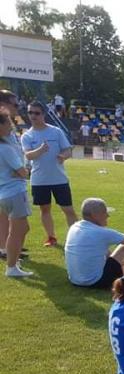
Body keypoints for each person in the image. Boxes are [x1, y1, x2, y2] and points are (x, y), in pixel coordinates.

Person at [21, 100, 77, 247]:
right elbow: (28, 155)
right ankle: (51, 237)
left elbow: (68, 149)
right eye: (30, 112)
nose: (33, 116)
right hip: (39, 180)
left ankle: (76, 238)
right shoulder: (27, 136)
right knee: (45, 209)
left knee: (68, 209)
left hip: (59, 178)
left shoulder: (56, 131)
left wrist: (63, 156)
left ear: (44, 114)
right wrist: (40, 149)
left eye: (37, 113)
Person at [64, 198, 124, 289]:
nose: (108, 215)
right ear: (95, 215)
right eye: (105, 212)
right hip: (96, 281)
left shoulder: (74, 227)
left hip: (75, 280)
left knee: (104, 248)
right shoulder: (101, 232)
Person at [0, 111, 33, 278]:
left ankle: (13, 261)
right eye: (7, 123)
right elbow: (23, 172)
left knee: (22, 228)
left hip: (5, 193)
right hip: (14, 192)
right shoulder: (6, 148)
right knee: (17, 231)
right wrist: (24, 171)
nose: (11, 126)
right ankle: (11, 266)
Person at [0, 90, 27, 263]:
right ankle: (5, 249)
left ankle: (11, 246)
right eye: (14, 104)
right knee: (4, 217)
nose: (17, 108)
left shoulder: (8, 125)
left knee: (12, 219)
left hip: (14, 177)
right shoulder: (2, 126)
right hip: (8, 181)